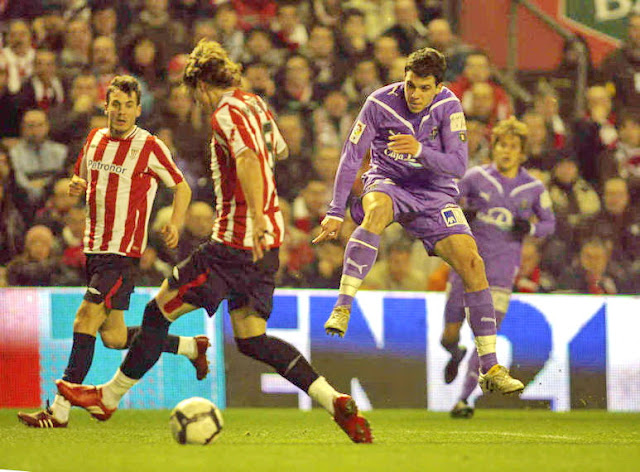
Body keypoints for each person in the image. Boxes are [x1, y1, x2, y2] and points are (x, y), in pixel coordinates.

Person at [55, 40, 372, 444]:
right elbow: (280, 148)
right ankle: (334, 399)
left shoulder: (225, 112)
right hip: (267, 245)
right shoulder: (255, 103)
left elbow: (248, 159)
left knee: (156, 314)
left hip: (233, 244)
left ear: (201, 85)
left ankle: (109, 397)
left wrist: (254, 215)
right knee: (252, 339)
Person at [314, 47, 524, 396]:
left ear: (438, 86)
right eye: (410, 85)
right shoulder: (379, 103)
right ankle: (343, 306)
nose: (414, 94)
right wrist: (336, 210)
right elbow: (352, 157)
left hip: (434, 193)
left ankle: (491, 367)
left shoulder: (449, 106)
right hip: (389, 182)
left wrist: (419, 151)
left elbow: (457, 166)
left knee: (472, 263)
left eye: (424, 88)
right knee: (376, 210)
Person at [17, 75, 206, 429]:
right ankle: (190, 347)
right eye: (115, 104)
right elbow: (83, 179)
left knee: (84, 319)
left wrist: (176, 223)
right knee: (114, 336)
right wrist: (78, 185)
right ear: (106, 106)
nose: (120, 112)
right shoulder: (94, 139)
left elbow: (181, 187)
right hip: (94, 249)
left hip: (121, 253)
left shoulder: (148, 146)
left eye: (127, 105)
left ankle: (58, 411)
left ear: (138, 110)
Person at [442, 117, 556, 418]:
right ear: (494, 148)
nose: (506, 151)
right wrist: (461, 212)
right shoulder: (475, 177)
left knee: (485, 340)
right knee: (449, 334)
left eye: (513, 147)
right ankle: (454, 352)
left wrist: (529, 229)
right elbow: (446, 201)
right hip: (465, 266)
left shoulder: (533, 188)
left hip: (501, 273)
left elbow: (549, 224)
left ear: (522, 153)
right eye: (502, 145)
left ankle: (463, 400)